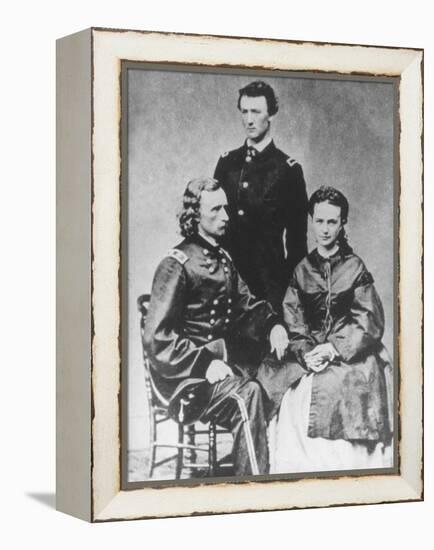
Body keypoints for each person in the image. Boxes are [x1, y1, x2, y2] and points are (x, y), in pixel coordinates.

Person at [143, 177, 289, 476]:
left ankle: (255, 466)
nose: (226, 216)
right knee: (246, 395)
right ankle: (255, 488)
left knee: (279, 377)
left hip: (219, 369)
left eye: (226, 208)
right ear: (195, 215)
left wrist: (274, 324)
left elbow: (248, 306)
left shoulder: (223, 260)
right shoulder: (175, 264)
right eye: (216, 209)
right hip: (184, 380)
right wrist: (203, 364)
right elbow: (158, 339)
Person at [258, 186, 393, 472]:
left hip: (351, 349)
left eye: (332, 221)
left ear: (343, 223)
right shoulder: (302, 269)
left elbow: (369, 319)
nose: (325, 229)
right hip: (308, 351)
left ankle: (344, 468)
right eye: (319, 221)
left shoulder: (355, 267)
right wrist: (307, 352)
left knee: (346, 385)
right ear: (311, 220)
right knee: (292, 390)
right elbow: (293, 318)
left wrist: (334, 348)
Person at [214, 80, 308, 311]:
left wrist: (284, 297)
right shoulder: (227, 163)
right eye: (244, 111)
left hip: (268, 287)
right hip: (226, 282)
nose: (249, 119)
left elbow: (297, 245)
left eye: (256, 112)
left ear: (271, 115)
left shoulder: (288, 170)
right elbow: (212, 221)